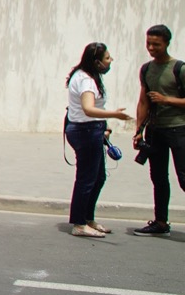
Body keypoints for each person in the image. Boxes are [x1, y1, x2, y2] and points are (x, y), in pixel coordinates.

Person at [65, 42, 131, 237]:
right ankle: (79, 223)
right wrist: (114, 115)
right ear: (97, 62)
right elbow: (88, 109)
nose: (111, 61)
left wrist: (104, 125)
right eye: (107, 58)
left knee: (98, 176)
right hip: (85, 131)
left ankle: (87, 218)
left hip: (91, 129)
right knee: (87, 178)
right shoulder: (86, 80)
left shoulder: (87, 76)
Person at [133, 24, 185, 237]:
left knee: (184, 177)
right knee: (158, 178)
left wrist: (167, 100)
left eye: (156, 44)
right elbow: (143, 100)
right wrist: (138, 130)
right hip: (155, 131)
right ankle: (160, 222)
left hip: (179, 129)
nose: (151, 48)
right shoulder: (146, 69)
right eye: (148, 44)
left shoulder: (179, 68)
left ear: (166, 44)